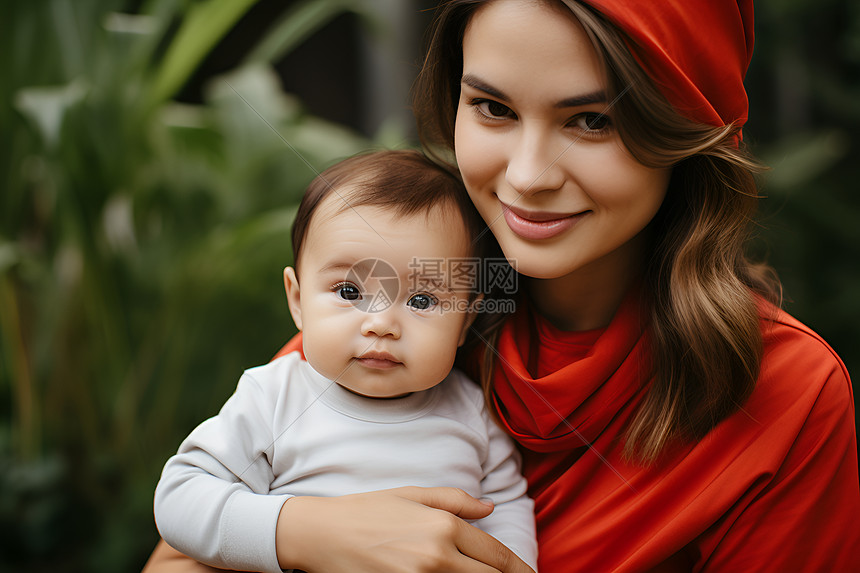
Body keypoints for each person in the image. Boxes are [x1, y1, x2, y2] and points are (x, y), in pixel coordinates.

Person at [145, 1, 860, 571]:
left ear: (687, 131)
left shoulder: (787, 395)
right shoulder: (393, 308)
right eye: (493, 108)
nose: (527, 175)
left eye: (591, 120)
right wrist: (314, 533)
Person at [151, 150, 537, 573]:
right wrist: (285, 533)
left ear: (465, 322)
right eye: (350, 292)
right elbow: (181, 498)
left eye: (422, 300)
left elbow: (505, 511)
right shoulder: (275, 397)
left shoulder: (474, 413)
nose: (382, 324)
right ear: (297, 300)